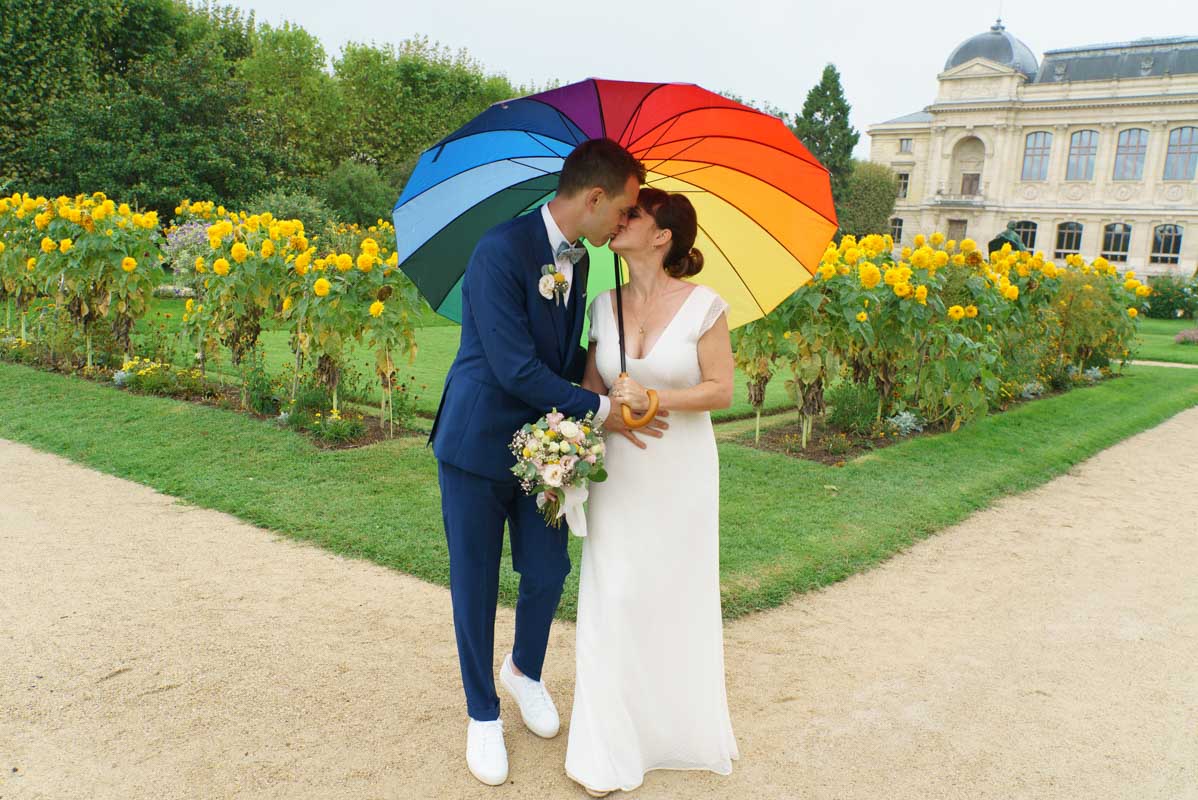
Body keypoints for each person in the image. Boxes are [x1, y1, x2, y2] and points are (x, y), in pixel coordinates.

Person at [429, 138, 668, 787]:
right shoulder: (499, 250)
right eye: (620, 210)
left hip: (545, 448)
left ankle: (524, 672)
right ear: (593, 198)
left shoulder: (583, 265)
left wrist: (609, 377)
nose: (623, 223)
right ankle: (482, 713)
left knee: (547, 569)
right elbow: (511, 367)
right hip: (476, 444)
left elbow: (561, 360)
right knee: (475, 582)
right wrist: (597, 408)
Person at [566, 187, 739, 796]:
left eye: (633, 213)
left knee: (669, 594)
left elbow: (722, 389)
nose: (620, 217)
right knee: (613, 594)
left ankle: (667, 731)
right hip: (619, 471)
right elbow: (591, 383)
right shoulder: (601, 305)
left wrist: (656, 398)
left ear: (662, 236)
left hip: (680, 473)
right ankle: (607, 748)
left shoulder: (704, 307)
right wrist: (601, 411)